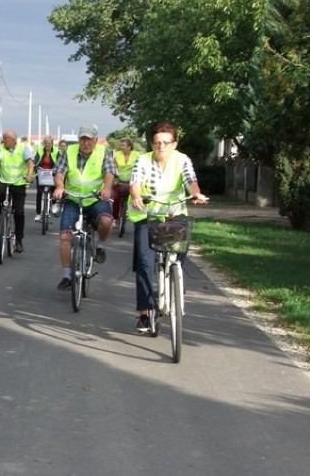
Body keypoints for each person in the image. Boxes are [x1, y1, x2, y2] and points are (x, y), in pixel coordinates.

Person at [129, 121, 208, 333]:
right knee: (145, 263)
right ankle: (145, 313)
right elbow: (135, 182)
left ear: (174, 143)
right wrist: (136, 197)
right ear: (151, 143)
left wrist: (196, 193)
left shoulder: (182, 159)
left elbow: (190, 180)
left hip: (174, 215)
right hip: (148, 216)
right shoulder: (143, 160)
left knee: (177, 257)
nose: (161, 146)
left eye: (165, 142)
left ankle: (174, 283)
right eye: (156, 142)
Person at [51, 123, 115, 291]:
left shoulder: (104, 153)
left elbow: (109, 173)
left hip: (96, 198)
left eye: (90, 139)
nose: (86, 143)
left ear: (95, 140)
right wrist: (59, 186)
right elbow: (59, 172)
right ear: (79, 139)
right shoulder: (68, 152)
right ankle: (67, 276)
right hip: (73, 198)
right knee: (65, 236)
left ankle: (100, 245)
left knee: (107, 221)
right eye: (83, 139)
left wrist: (107, 189)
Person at [0, 129, 35, 253]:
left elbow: (30, 163)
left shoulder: (23, 149)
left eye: (5, 138)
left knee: (19, 213)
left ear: (13, 140)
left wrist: (29, 175)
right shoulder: (1, 148)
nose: (3, 140)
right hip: (3, 180)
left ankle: (18, 240)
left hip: (18, 182)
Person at [112, 138, 138, 224]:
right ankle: (115, 218)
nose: (121, 147)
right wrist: (114, 180)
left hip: (132, 183)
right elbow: (113, 168)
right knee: (116, 198)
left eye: (123, 145)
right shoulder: (117, 155)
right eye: (121, 145)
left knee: (136, 197)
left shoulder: (137, 155)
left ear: (129, 147)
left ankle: (136, 217)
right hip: (120, 182)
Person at [33, 136, 57, 221]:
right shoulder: (40, 150)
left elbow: (58, 161)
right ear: (44, 143)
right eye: (46, 143)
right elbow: (36, 160)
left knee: (54, 190)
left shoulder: (56, 151)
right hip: (41, 173)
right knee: (40, 193)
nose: (47, 145)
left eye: (49, 143)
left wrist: (57, 169)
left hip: (52, 173)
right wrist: (35, 165)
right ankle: (39, 212)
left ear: (52, 144)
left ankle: (54, 206)